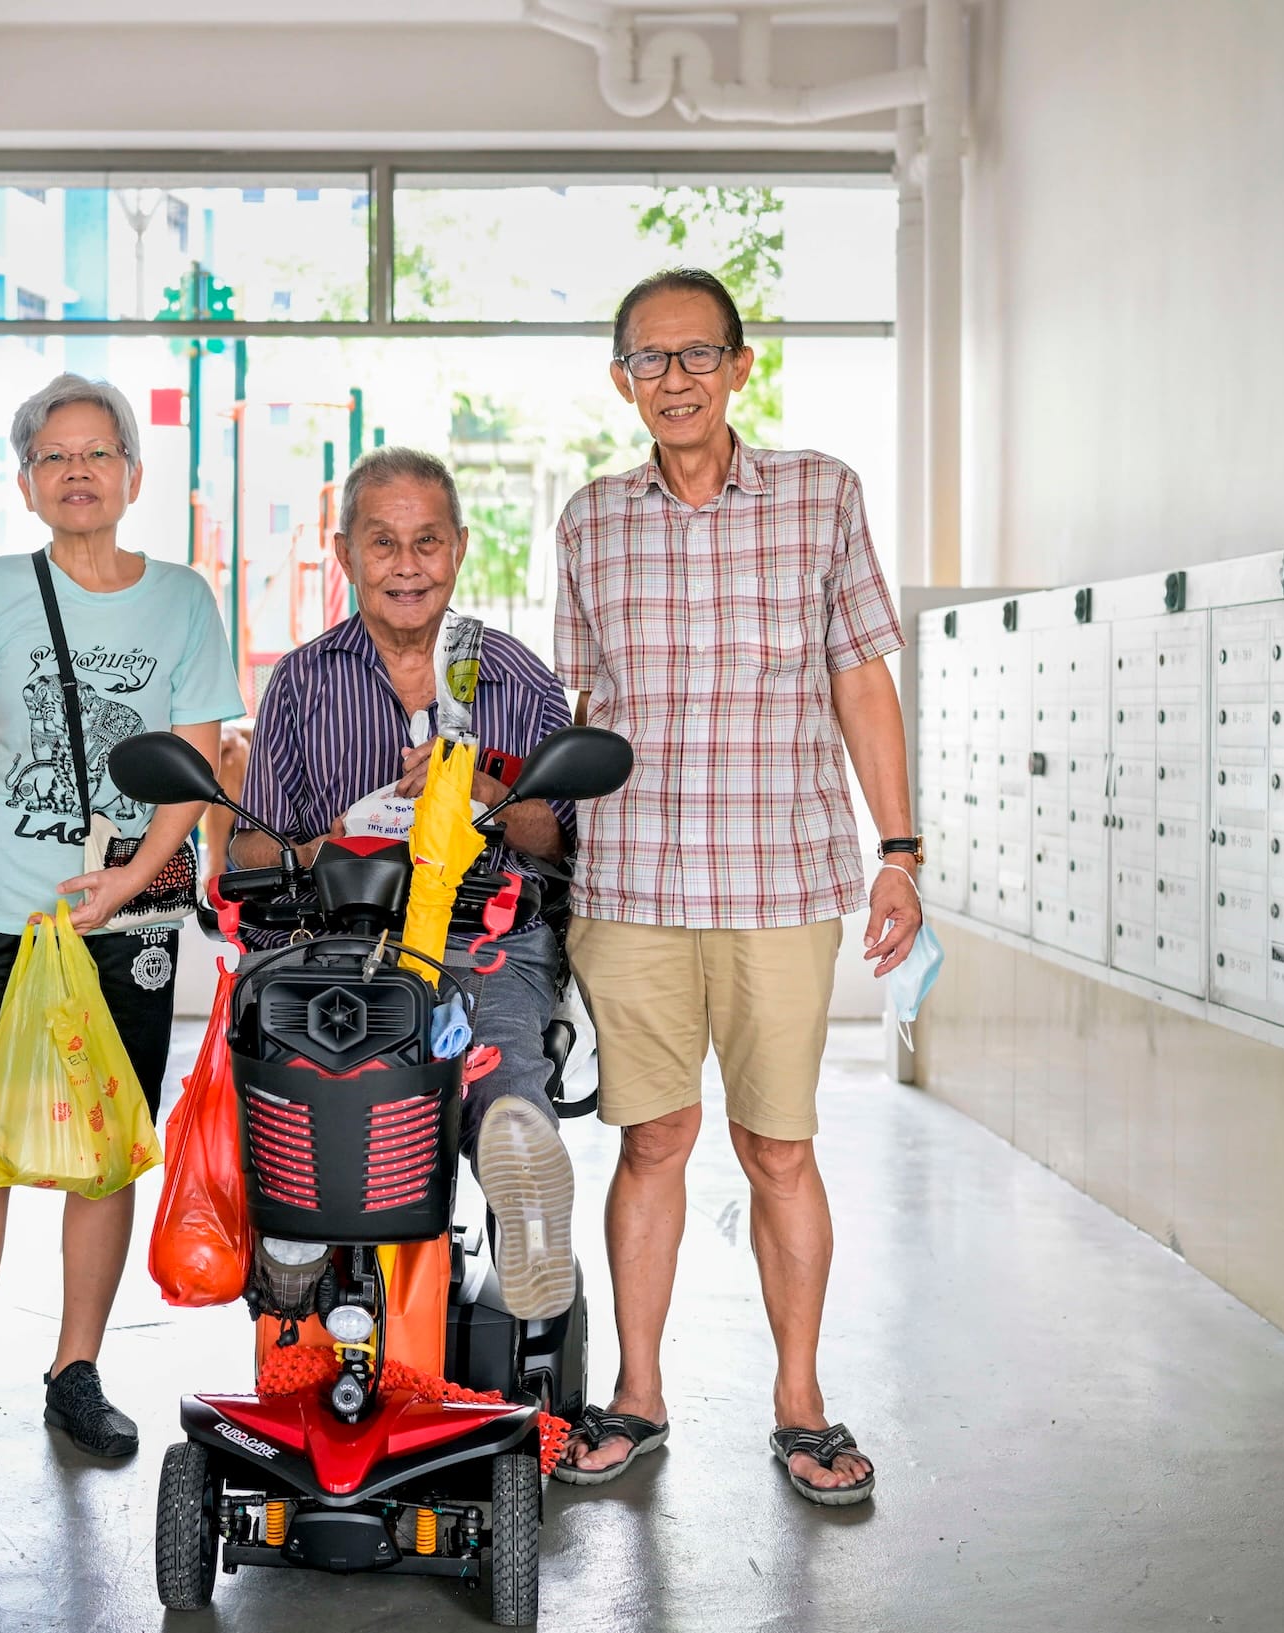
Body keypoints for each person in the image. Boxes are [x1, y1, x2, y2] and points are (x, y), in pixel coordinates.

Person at [551, 269, 922, 1505]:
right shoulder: (589, 519)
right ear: (621, 380)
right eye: (649, 361)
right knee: (652, 1139)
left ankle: (800, 1403)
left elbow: (861, 677)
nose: (675, 380)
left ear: (740, 365)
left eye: (697, 354)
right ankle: (637, 1393)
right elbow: (583, 705)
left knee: (777, 1147)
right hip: (634, 886)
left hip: (779, 880)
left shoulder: (821, 494)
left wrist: (900, 850)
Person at [0, 373, 246, 1485]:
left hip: (124, 914)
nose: (77, 472)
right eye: (53, 456)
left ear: (132, 474)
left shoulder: (182, 600)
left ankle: (75, 1371)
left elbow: (193, 769)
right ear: (25, 483)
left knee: (106, 1150)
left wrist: (130, 881)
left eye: (97, 452)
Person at [231, 446, 581, 1321]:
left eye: (427, 541)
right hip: (330, 939)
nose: (406, 565)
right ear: (345, 552)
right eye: (382, 542)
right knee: (290, 1045)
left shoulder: (518, 677)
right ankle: (292, 1249)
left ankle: (520, 1184)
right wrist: (323, 846)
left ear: (458, 547)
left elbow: (559, 843)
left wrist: (489, 789)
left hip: (481, 937)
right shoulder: (302, 681)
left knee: (495, 1061)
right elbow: (248, 849)